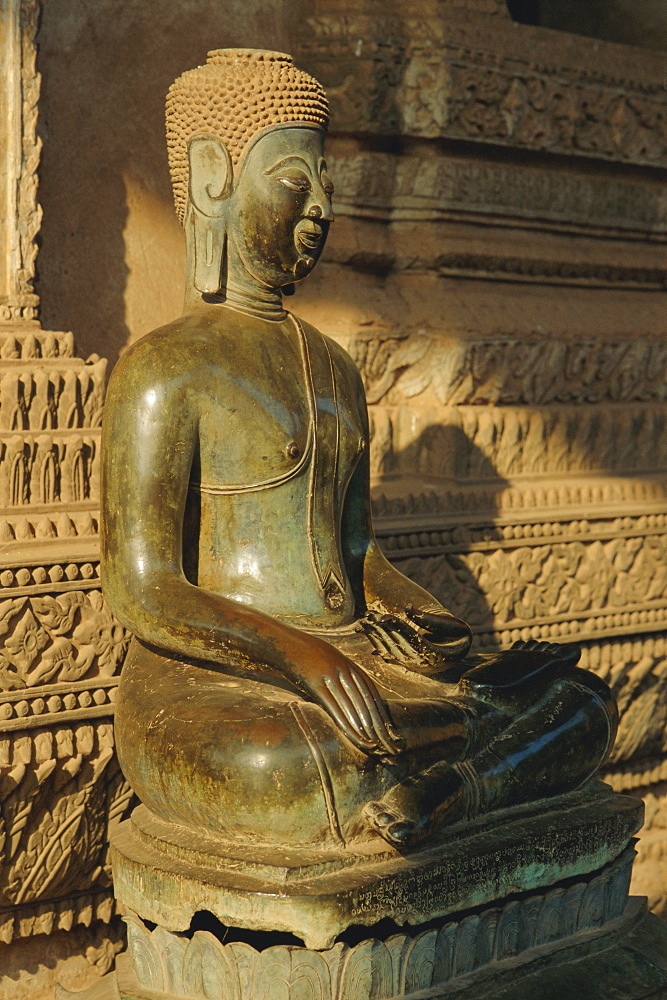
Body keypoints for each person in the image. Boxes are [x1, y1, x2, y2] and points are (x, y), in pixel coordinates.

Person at [101, 49, 617, 852]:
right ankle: (473, 779)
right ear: (213, 179)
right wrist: (297, 654)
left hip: (354, 665)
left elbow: (356, 548)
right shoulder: (165, 367)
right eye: (293, 183)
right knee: (284, 766)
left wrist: (416, 611)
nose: (319, 210)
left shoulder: (336, 368)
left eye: (326, 188)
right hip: (217, 682)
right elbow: (145, 590)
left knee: (581, 703)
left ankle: (458, 789)